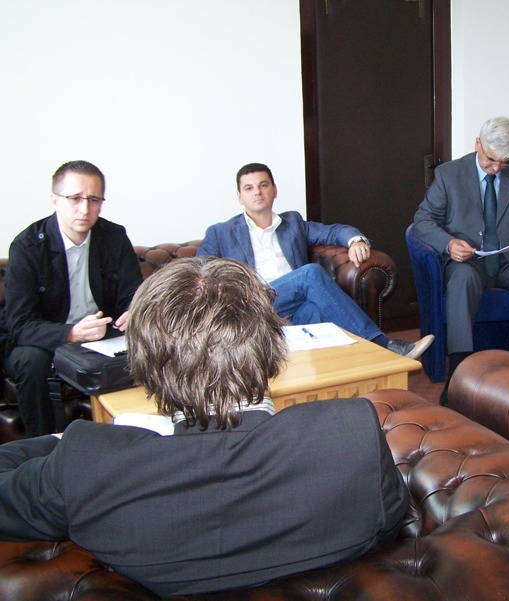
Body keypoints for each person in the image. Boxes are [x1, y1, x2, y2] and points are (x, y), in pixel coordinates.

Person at [0, 257, 409, 597]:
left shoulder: (86, 464)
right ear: (273, 346)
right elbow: (390, 520)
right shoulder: (352, 431)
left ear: (143, 366)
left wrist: (60, 440)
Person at [198, 163, 433, 359]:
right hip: (252, 303)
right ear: (239, 196)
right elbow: (199, 270)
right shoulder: (221, 232)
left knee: (312, 311)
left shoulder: (292, 223)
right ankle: (383, 346)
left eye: (263, 185)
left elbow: (334, 231)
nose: (257, 192)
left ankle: (340, 379)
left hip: (290, 304)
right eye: (249, 188)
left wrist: (356, 241)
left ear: (274, 190)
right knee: (309, 274)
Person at [412, 116, 509, 389]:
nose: (496, 168)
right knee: (462, 280)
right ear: (477, 144)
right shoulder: (449, 175)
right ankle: (459, 371)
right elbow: (422, 221)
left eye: (504, 162)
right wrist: (449, 243)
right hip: (469, 261)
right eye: (491, 160)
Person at [0, 160, 142, 437]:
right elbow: (20, 325)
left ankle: (137, 439)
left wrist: (134, 312)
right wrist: (71, 333)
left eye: (94, 199)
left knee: (149, 343)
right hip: (41, 340)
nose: (85, 209)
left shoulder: (113, 237)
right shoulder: (28, 247)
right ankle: (46, 446)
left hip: (100, 334)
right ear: (55, 200)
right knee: (32, 362)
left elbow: (133, 295)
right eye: (75, 198)